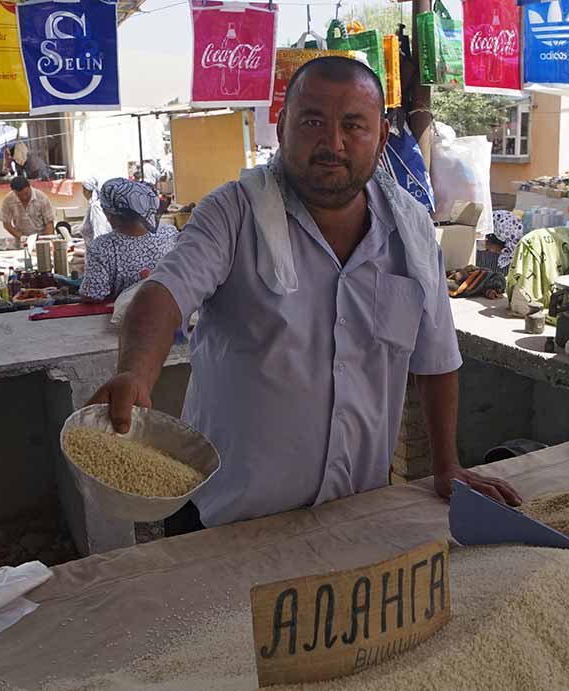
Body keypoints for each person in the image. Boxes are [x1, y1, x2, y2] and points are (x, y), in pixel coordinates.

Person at [88, 56, 521, 534]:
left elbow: (436, 359)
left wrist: (447, 466)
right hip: (227, 521)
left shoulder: (412, 233)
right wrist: (134, 372)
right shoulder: (232, 213)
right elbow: (163, 292)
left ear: (380, 139)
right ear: (282, 127)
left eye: (353, 125)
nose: (332, 144)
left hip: (353, 516)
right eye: (313, 121)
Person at [79, 178, 179, 302]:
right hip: (172, 310)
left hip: (130, 318)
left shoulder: (101, 247)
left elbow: (93, 295)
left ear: (110, 213)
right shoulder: (169, 233)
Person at [0, 176, 55, 243]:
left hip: (41, 239)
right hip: (21, 239)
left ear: (29, 187)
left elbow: (49, 223)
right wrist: (20, 236)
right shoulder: (8, 199)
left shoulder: (42, 198)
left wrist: (48, 242)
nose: (24, 197)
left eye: (26, 193)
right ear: (14, 192)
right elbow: (6, 223)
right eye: (19, 195)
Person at [76, 178, 111, 244]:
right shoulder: (95, 205)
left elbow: (100, 232)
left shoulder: (95, 207)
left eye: (83, 189)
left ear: (87, 191)